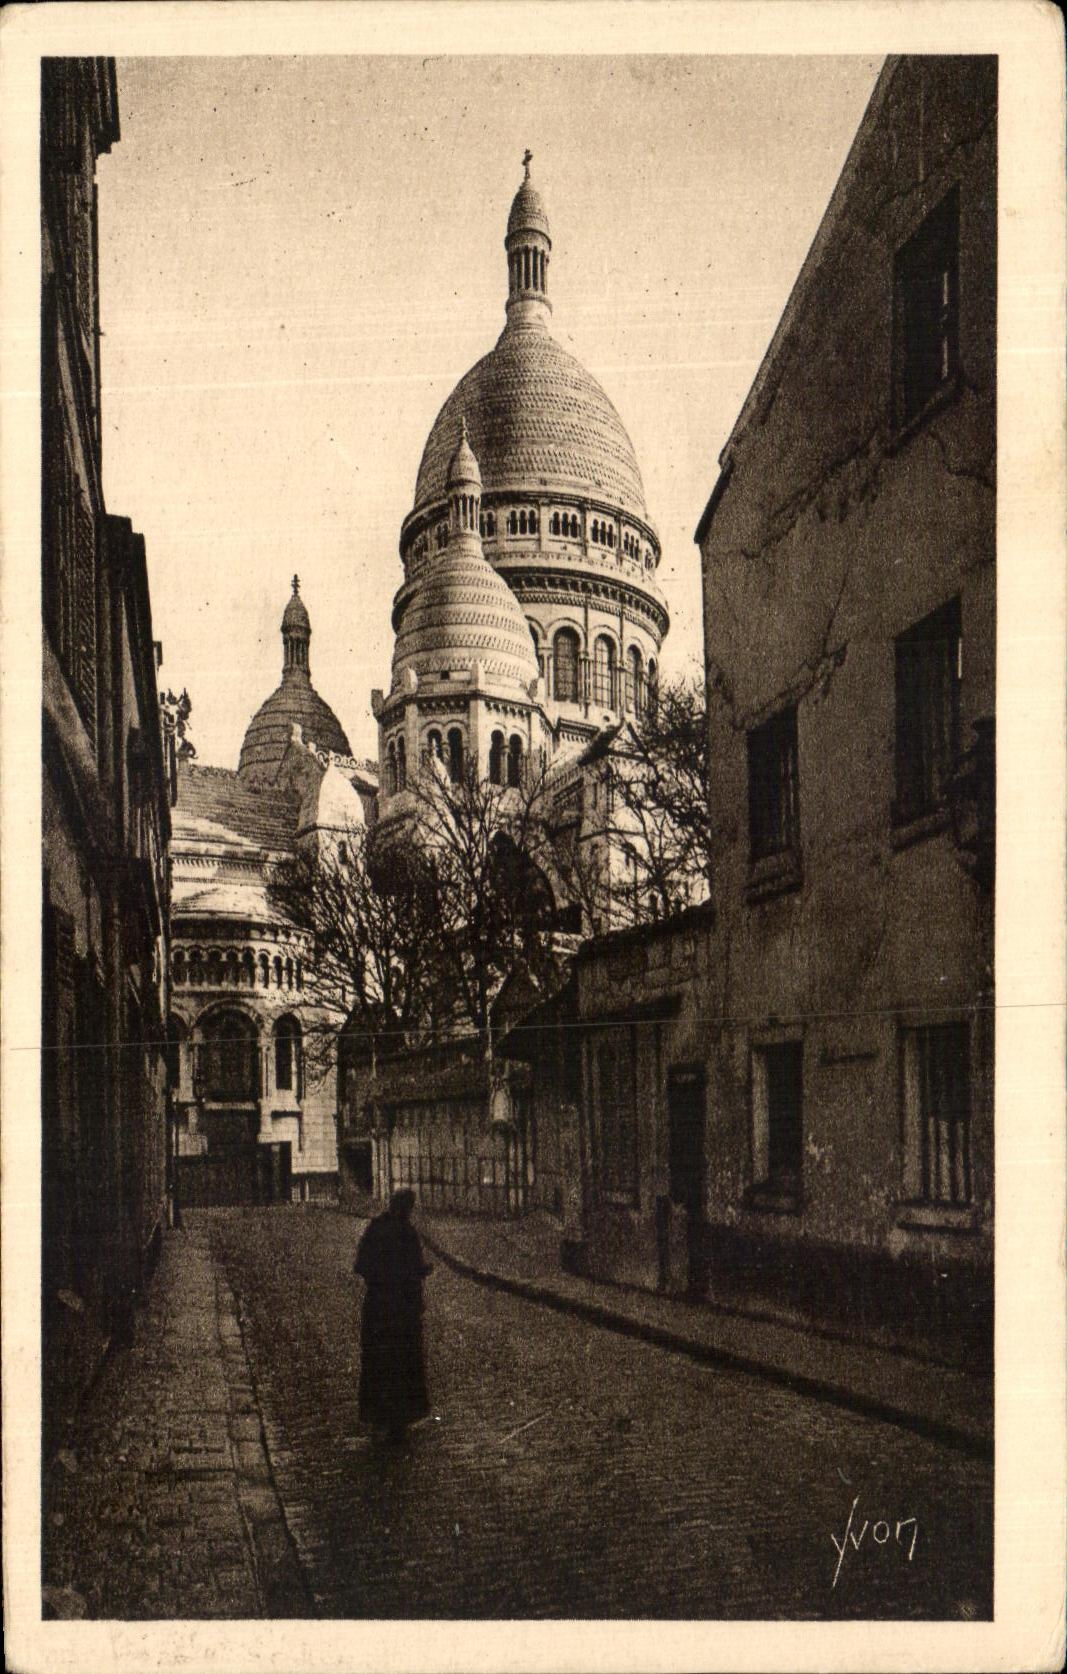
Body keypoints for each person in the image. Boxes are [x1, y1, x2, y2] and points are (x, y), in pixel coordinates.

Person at [353, 1189, 433, 1443]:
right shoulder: (407, 1233)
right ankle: (400, 1417)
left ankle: (378, 1416)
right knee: (401, 1361)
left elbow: (361, 1265)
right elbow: (415, 1269)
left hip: (377, 1306)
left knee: (379, 1361)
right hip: (401, 1309)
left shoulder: (376, 1228)